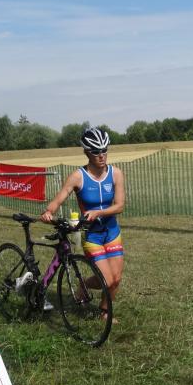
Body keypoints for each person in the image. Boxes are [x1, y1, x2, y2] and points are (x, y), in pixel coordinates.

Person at [40, 126, 125, 320]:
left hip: (112, 232)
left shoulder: (116, 174)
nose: (101, 155)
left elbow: (120, 206)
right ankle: (84, 284)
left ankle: (104, 312)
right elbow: (60, 197)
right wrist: (49, 211)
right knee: (107, 279)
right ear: (86, 152)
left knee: (116, 279)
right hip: (93, 235)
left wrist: (98, 212)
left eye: (104, 150)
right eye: (96, 151)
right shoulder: (78, 176)